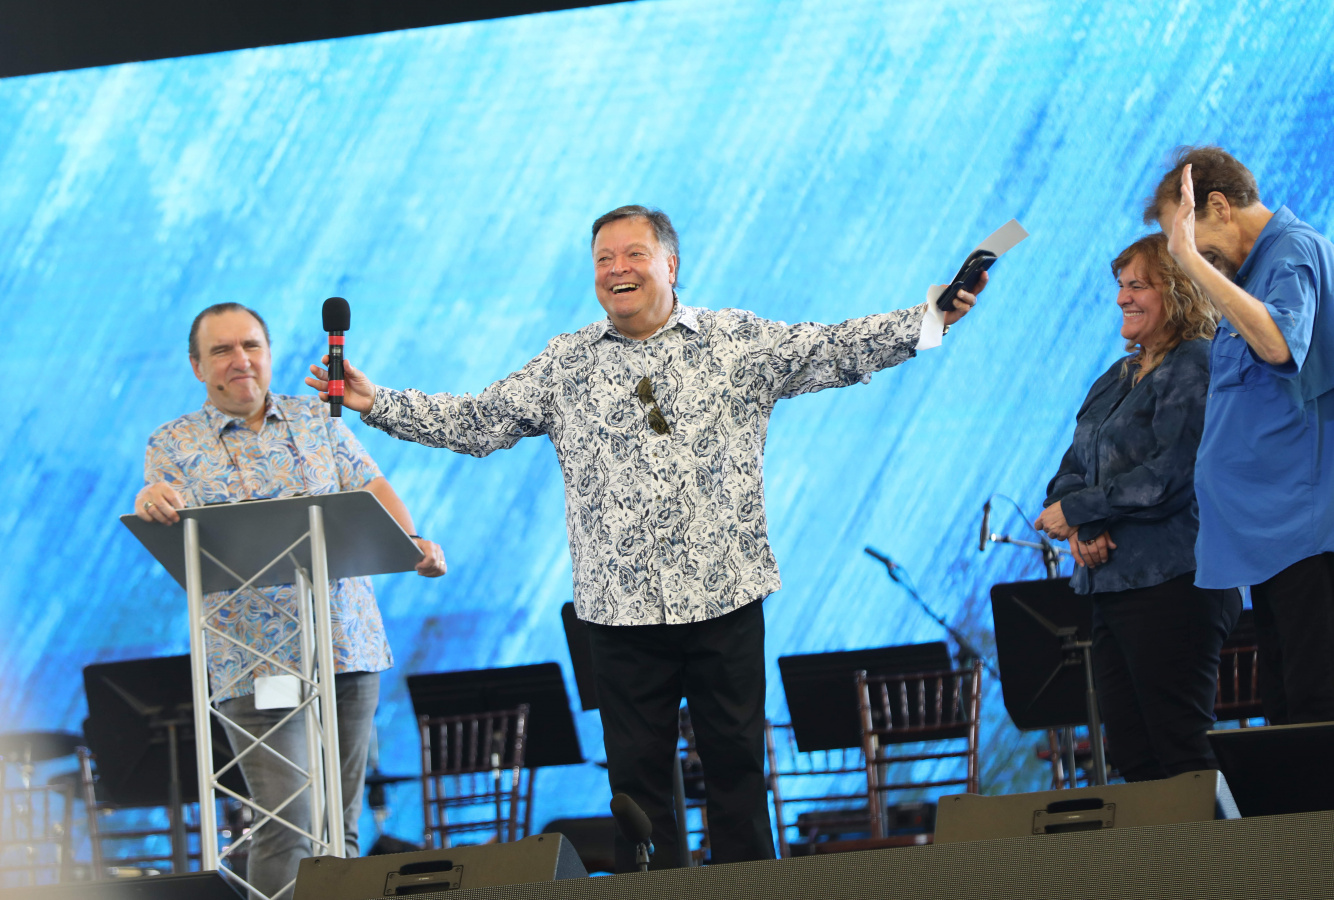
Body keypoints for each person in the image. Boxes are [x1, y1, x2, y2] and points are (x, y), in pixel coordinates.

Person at [305, 205, 984, 871]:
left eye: (634, 254)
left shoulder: (733, 341)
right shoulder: (566, 363)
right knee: (636, 795)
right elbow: (479, 420)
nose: (617, 269)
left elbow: (836, 347)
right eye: (603, 259)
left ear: (670, 263)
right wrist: (378, 402)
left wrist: (930, 318)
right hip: (619, 614)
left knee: (737, 776)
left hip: (724, 597)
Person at [135, 303, 446, 900]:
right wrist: (151, 499)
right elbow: (157, 497)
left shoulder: (318, 419)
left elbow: (371, 485)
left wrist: (413, 544)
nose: (240, 360)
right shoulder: (173, 442)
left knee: (341, 825)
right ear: (197, 366)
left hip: (345, 646)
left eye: (251, 345)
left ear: (269, 354)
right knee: (288, 824)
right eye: (222, 350)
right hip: (252, 661)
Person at [1035, 233, 1241, 781]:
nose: (1122, 297)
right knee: (1133, 756)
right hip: (1112, 589)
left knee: (1180, 751)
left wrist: (1082, 512)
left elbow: (1169, 476)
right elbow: (1070, 469)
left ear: (1178, 291)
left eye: (1138, 286)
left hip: (1175, 584)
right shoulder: (1117, 375)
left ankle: (1233, 842)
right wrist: (1080, 523)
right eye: (1121, 286)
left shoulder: (1196, 363)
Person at [1147, 146, 1334, 725]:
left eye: (1188, 238)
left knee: (1315, 708)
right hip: (1270, 540)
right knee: (1285, 709)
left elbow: (1279, 344)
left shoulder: (1293, 252)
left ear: (1221, 207)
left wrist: (1193, 263)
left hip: (1306, 533)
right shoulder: (1249, 278)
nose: (1186, 256)